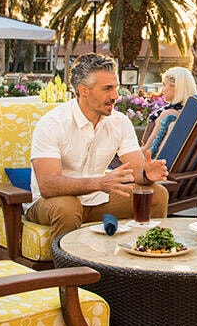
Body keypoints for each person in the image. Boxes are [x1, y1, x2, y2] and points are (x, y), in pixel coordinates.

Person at [25, 53, 170, 239]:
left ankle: (145, 259)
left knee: (156, 194)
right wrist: (99, 183)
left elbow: (137, 169)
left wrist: (146, 174)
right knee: (68, 207)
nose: (115, 96)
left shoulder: (120, 122)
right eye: (107, 89)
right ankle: (67, 267)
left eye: (115, 88)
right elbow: (48, 185)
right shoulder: (53, 123)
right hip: (51, 203)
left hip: (98, 200)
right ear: (84, 90)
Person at [141, 66, 197, 157]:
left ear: (177, 87)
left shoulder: (169, 115)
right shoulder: (192, 113)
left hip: (152, 167)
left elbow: (147, 151)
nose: (162, 90)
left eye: (164, 85)